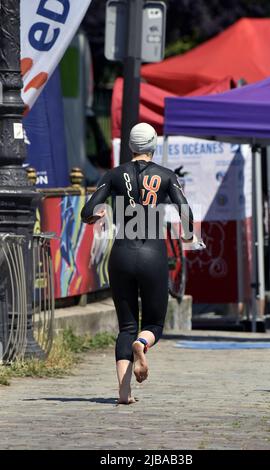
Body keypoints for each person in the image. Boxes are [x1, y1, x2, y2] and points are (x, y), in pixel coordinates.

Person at [81, 122, 196, 405]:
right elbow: (185, 213)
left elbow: (87, 212)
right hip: (152, 253)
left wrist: (98, 217)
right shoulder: (167, 176)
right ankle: (142, 344)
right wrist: (189, 235)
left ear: (131, 146)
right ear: (153, 145)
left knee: (126, 325)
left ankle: (123, 393)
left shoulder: (113, 175)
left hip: (121, 254)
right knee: (154, 323)